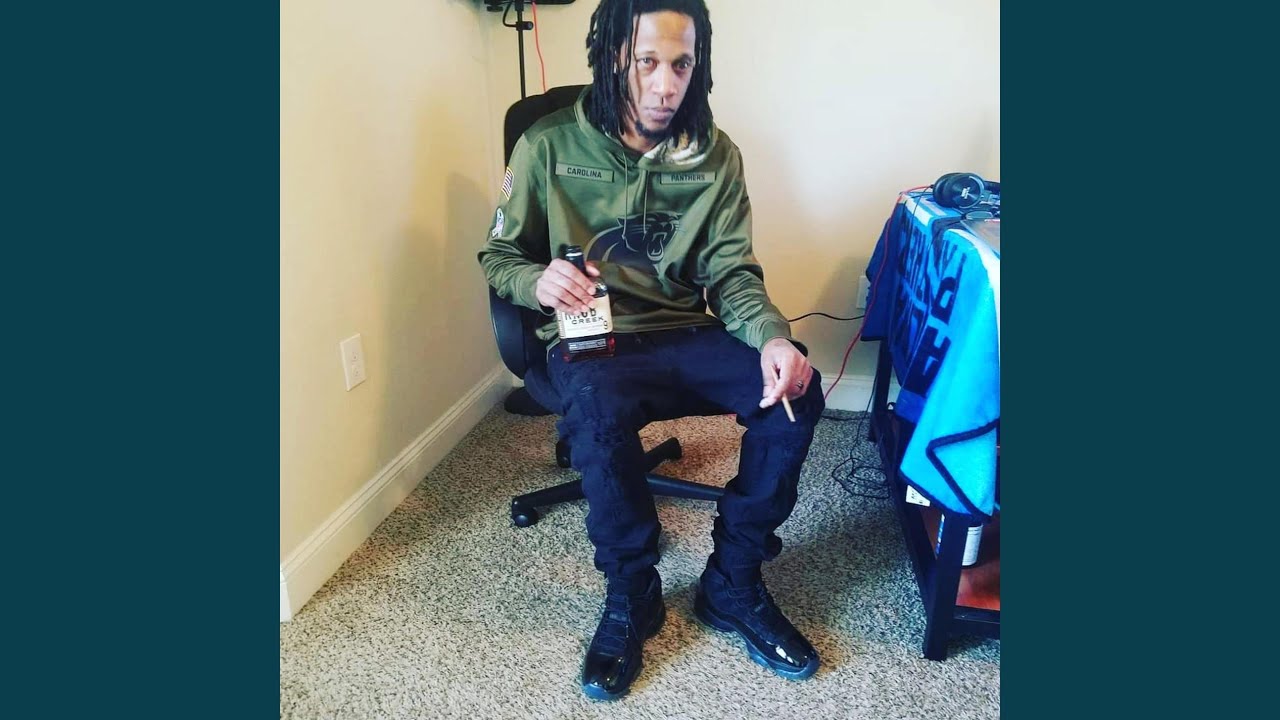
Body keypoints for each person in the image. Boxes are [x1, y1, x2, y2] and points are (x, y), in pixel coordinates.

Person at [478, 0, 824, 700]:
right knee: (597, 408)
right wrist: (536, 282)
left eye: (682, 64)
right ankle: (632, 592)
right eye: (647, 62)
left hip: (685, 329)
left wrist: (773, 337)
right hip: (591, 339)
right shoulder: (546, 146)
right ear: (613, 58)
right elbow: (499, 256)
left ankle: (732, 582)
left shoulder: (715, 154)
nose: (666, 85)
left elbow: (732, 272)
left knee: (796, 393)